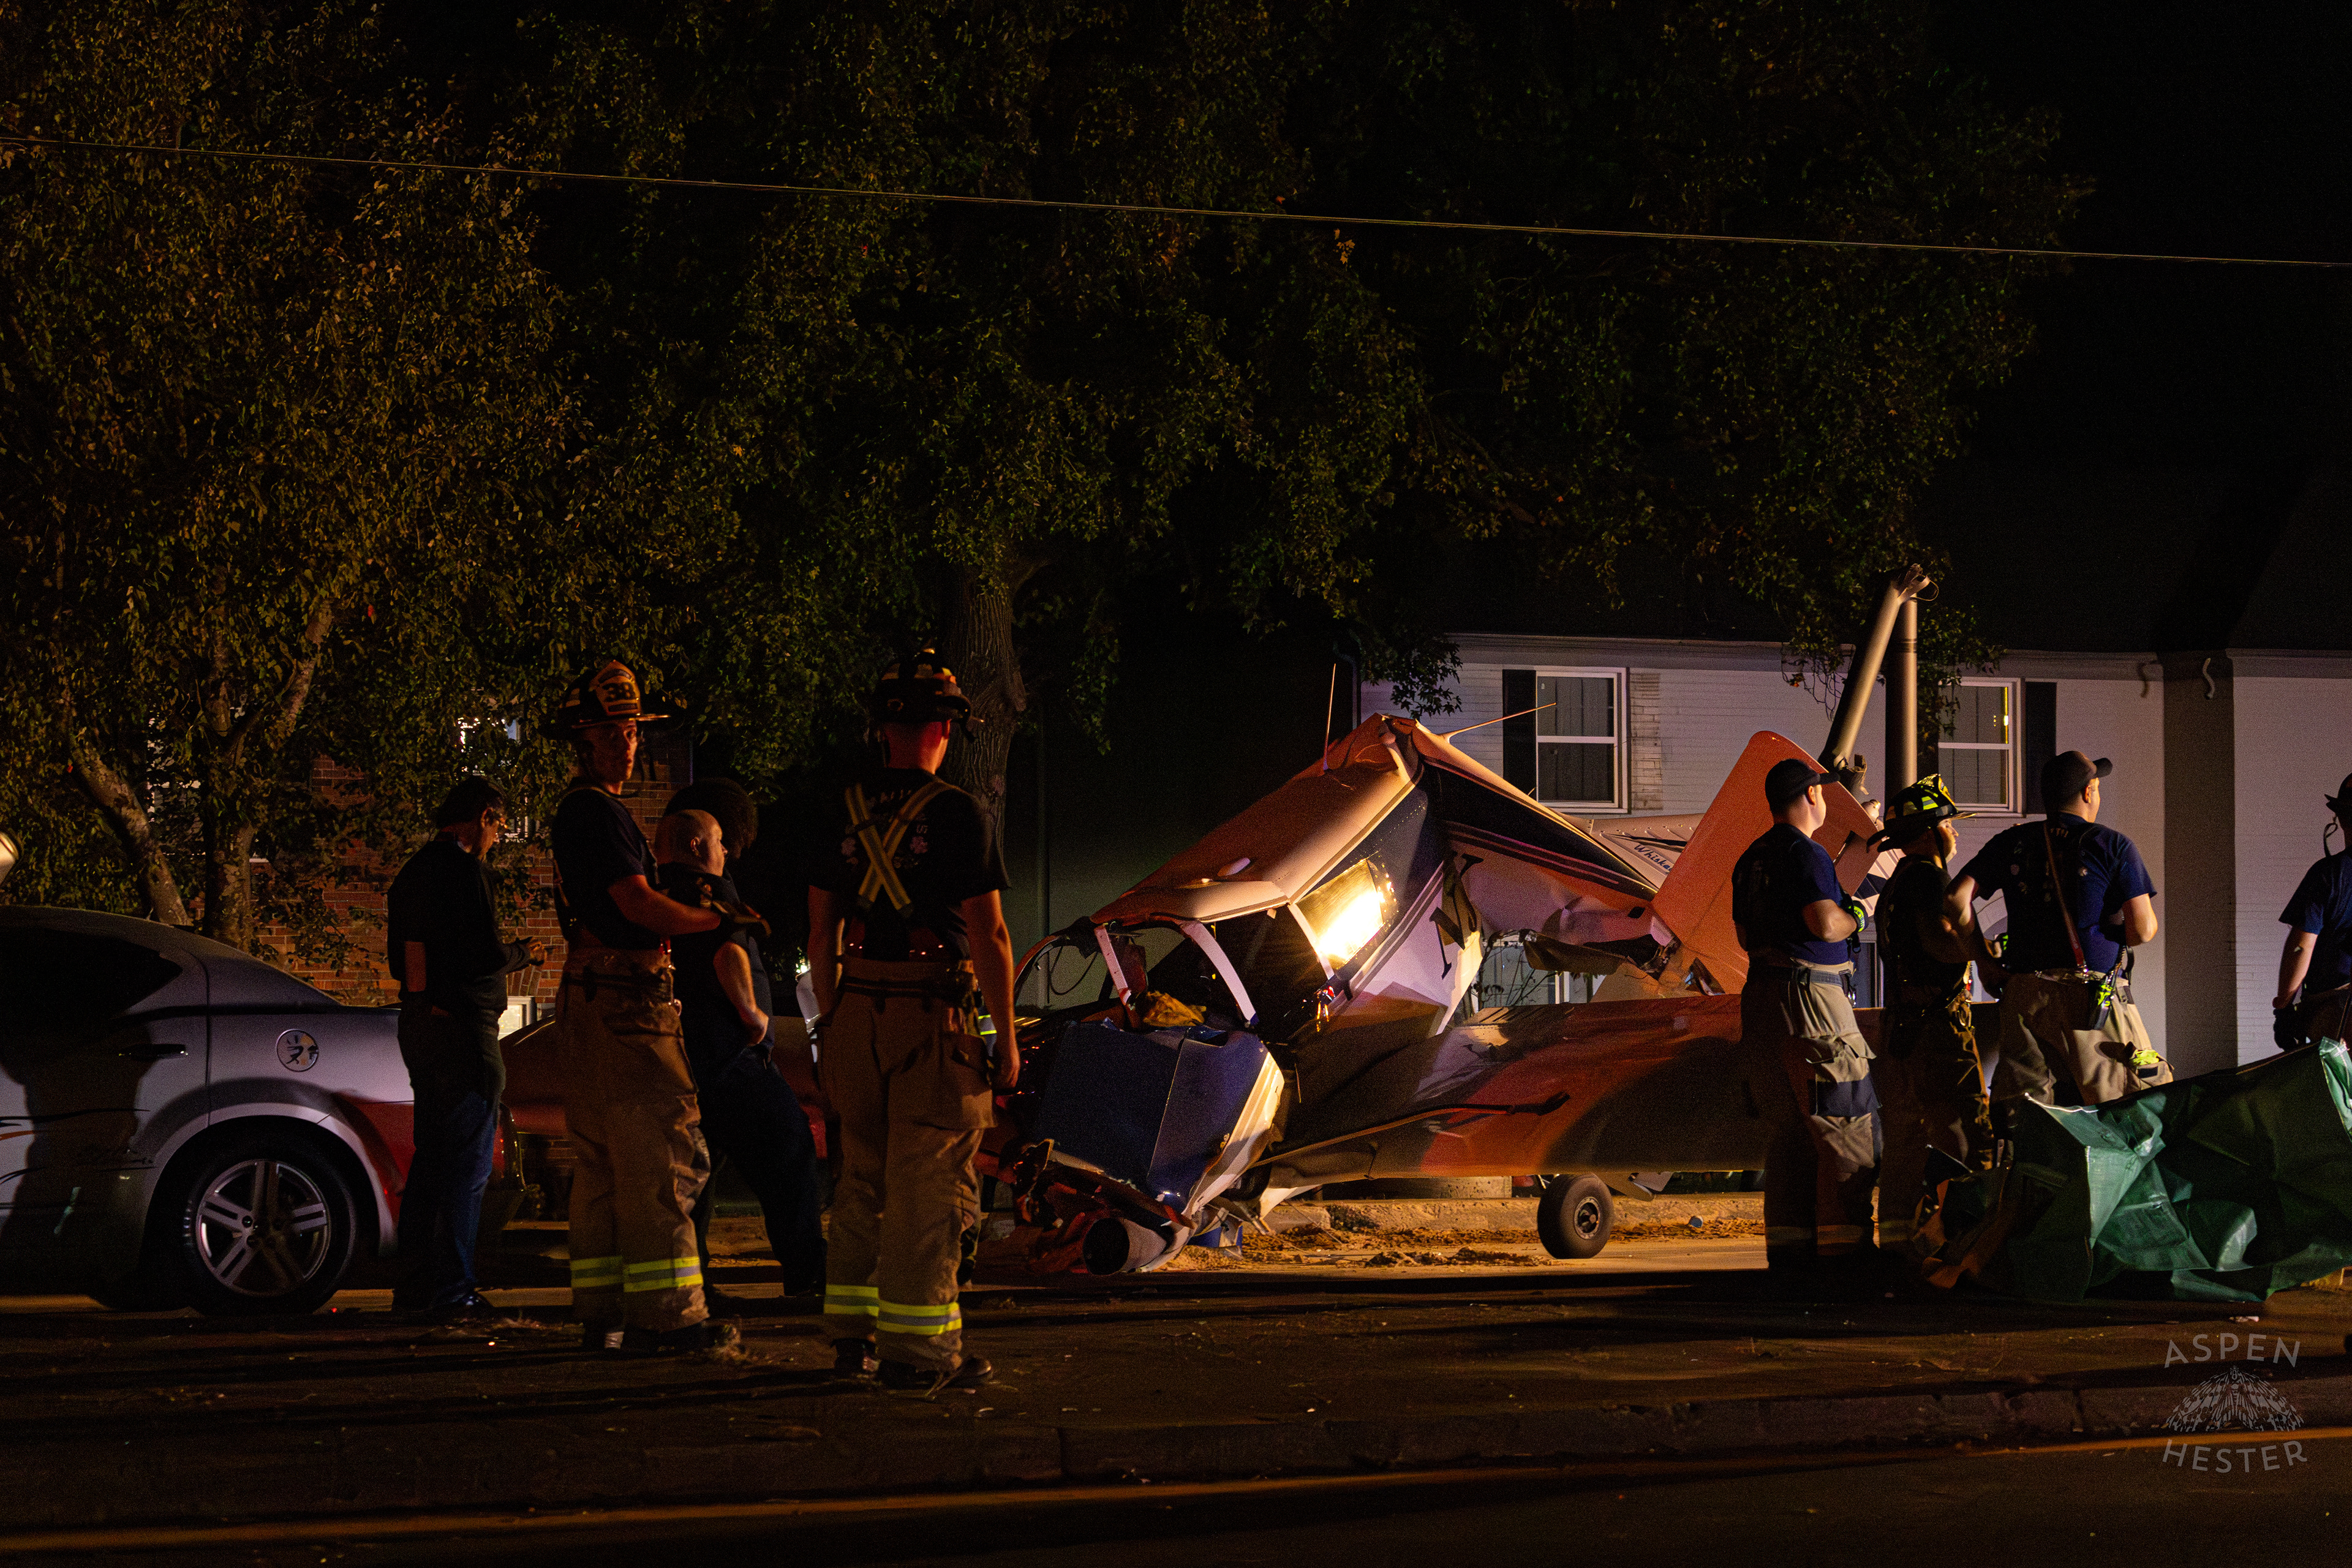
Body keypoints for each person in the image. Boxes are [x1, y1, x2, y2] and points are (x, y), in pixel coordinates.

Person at [807, 650, 1019, 1394]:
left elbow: (819, 932)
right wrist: (1008, 1040)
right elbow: (989, 936)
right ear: (943, 728)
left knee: (860, 1177)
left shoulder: (842, 809)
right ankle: (919, 1355)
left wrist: (834, 1021)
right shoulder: (961, 813)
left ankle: (849, 1340)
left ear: (881, 730)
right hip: (933, 1017)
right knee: (929, 1188)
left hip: (856, 1009)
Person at [549, 659, 746, 1355]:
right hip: (630, 1003)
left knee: (602, 1163)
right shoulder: (597, 813)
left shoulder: (580, 811)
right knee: (662, 1156)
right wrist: (714, 921)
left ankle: (601, 1310)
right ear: (583, 739)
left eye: (632, 729)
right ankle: (668, 1318)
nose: (628, 744)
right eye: (613, 731)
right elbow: (635, 903)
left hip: (590, 996)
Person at [654, 802, 827, 1307]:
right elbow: (727, 947)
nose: (726, 850)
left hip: (682, 1058)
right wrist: (752, 1014)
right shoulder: (709, 891)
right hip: (730, 1055)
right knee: (789, 1146)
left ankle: (695, 1285)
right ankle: (808, 1275)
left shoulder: (655, 895)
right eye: (717, 840)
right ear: (695, 846)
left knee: (696, 1177)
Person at [384, 777, 542, 1320]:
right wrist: (523, 953)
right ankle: (454, 1291)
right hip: (465, 1033)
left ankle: (413, 1288)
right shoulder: (463, 871)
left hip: (420, 1024)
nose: (498, 836)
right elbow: (480, 954)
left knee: (430, 1161)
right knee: (467, 1168)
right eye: (499, 824)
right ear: (484, 817)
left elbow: (401, 961)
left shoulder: (411, 875)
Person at [1946, 750, 2165, 1108]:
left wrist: (1984, 963)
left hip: (2023, 994)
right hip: (2090, 999)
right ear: (2089, 792)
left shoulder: (2012, 841)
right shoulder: (2111, 844)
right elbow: (2143, 930)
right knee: (2124, 1104)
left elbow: (1956, 899)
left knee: (2029, 1112)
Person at [1732, 758, 1877, 1280]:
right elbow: (1824, 921)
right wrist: (1858, 911)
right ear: (1811, 797)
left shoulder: (1751, 859)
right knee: (1846, 1128)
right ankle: (1847, 1261)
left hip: (1762, 1004)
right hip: (1812, 1003)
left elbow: (1746, 939)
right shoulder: (1806, 852)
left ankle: (1790, 1260)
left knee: (1789, 1139)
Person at [1866, 776, 1994, 1262]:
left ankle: (1898, 1244)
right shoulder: (1927, 877)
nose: (1955, 834)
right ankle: (1971, 1240)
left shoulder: (1898, 881)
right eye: (1947, 824)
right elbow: (1940, 939)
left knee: (1905, 1140)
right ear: (1927, 832)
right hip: (1938, 1028)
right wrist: (1983, 955)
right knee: (1964, 1131)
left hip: (1901, 1028)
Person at [2273, 774, 2352, 1051]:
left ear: (2340, 819)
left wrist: (2283, 1007)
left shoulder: (2328, 875)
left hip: (2337, 1012)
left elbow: (2301, 947)